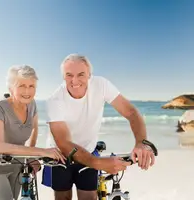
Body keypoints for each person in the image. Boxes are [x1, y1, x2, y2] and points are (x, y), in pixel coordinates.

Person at [42, 54, 156, 200]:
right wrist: (99, 163)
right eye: (69, 75)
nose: (74, 81)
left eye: (81, 74)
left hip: (88, 149)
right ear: (63, 77)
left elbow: (131, 112)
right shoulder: (54, 100)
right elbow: (64, 143)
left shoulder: (101, 85)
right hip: (60, 156)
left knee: (89, 197)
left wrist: (141, 143)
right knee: (62, 197)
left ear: (89, 75)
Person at [0, 64, 65, 200]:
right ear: (11, 88)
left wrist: (31, 157)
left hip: (17, 164)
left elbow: (34, 130)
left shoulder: (32, 105)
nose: (27, 91)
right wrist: (41, 151)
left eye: (31, 86)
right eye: (22, 86)